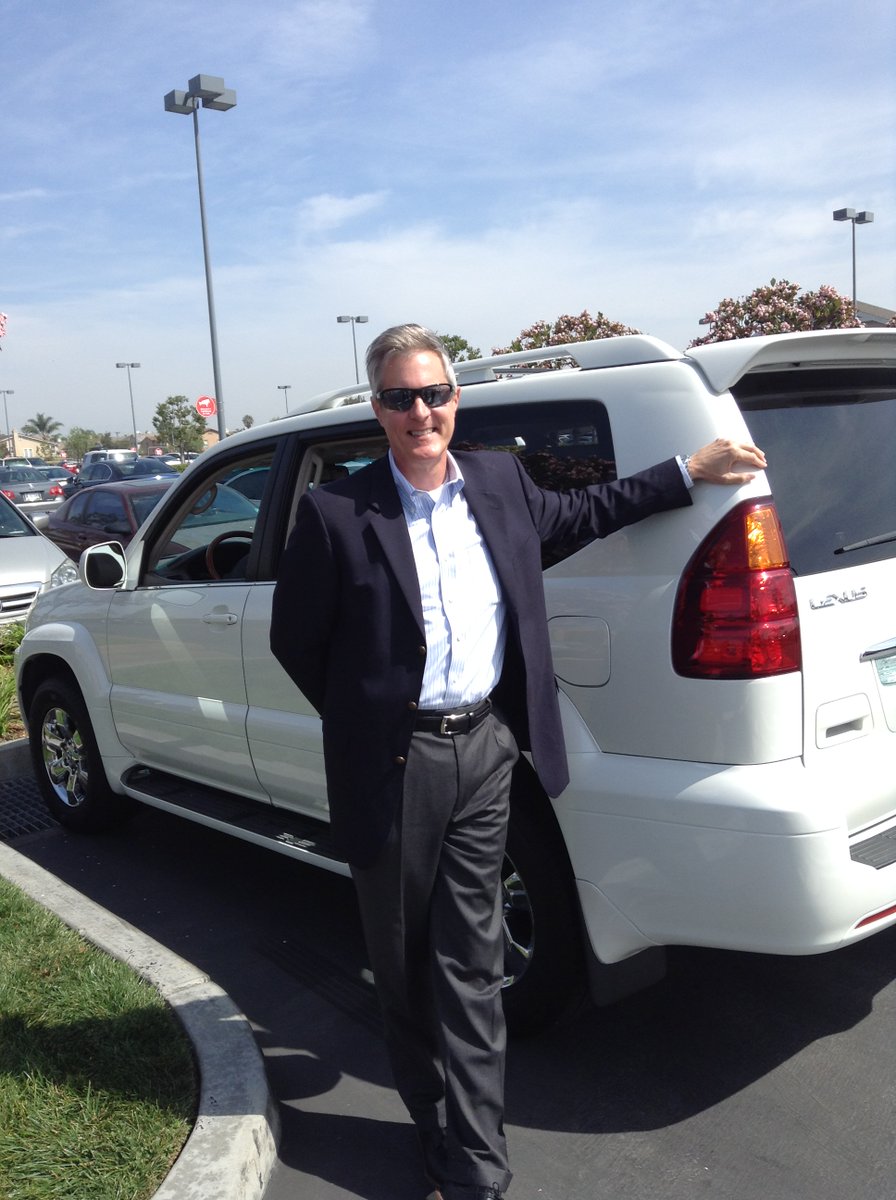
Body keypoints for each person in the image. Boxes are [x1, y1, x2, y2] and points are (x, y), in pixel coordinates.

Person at [270, 324, 766, 1200]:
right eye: (399, 398)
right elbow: (296, 641)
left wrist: (688, 472)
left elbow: (586, 512)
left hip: (486, 753)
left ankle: (476, 1161)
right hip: (393, 764)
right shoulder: (337, 512)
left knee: (470, 963)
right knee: (403, 963)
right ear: (376, 408)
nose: (420, 413)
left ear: (455, 398)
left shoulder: (499, 481)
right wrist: (372, 721)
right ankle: (434, 1121)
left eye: (434, 394)